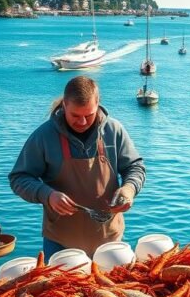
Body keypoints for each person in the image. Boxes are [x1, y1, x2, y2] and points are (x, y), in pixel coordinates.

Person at [9, 76, 145, 257]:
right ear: (64, 105)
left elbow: (135, 167)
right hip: (61, 244)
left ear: (98, 104)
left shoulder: (114, 131)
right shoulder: (44, 136)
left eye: (89, 115)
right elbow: (19, 178)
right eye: (75, 115)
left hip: (109, 242)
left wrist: (129, 189)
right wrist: (47, 195)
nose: (82, 122)